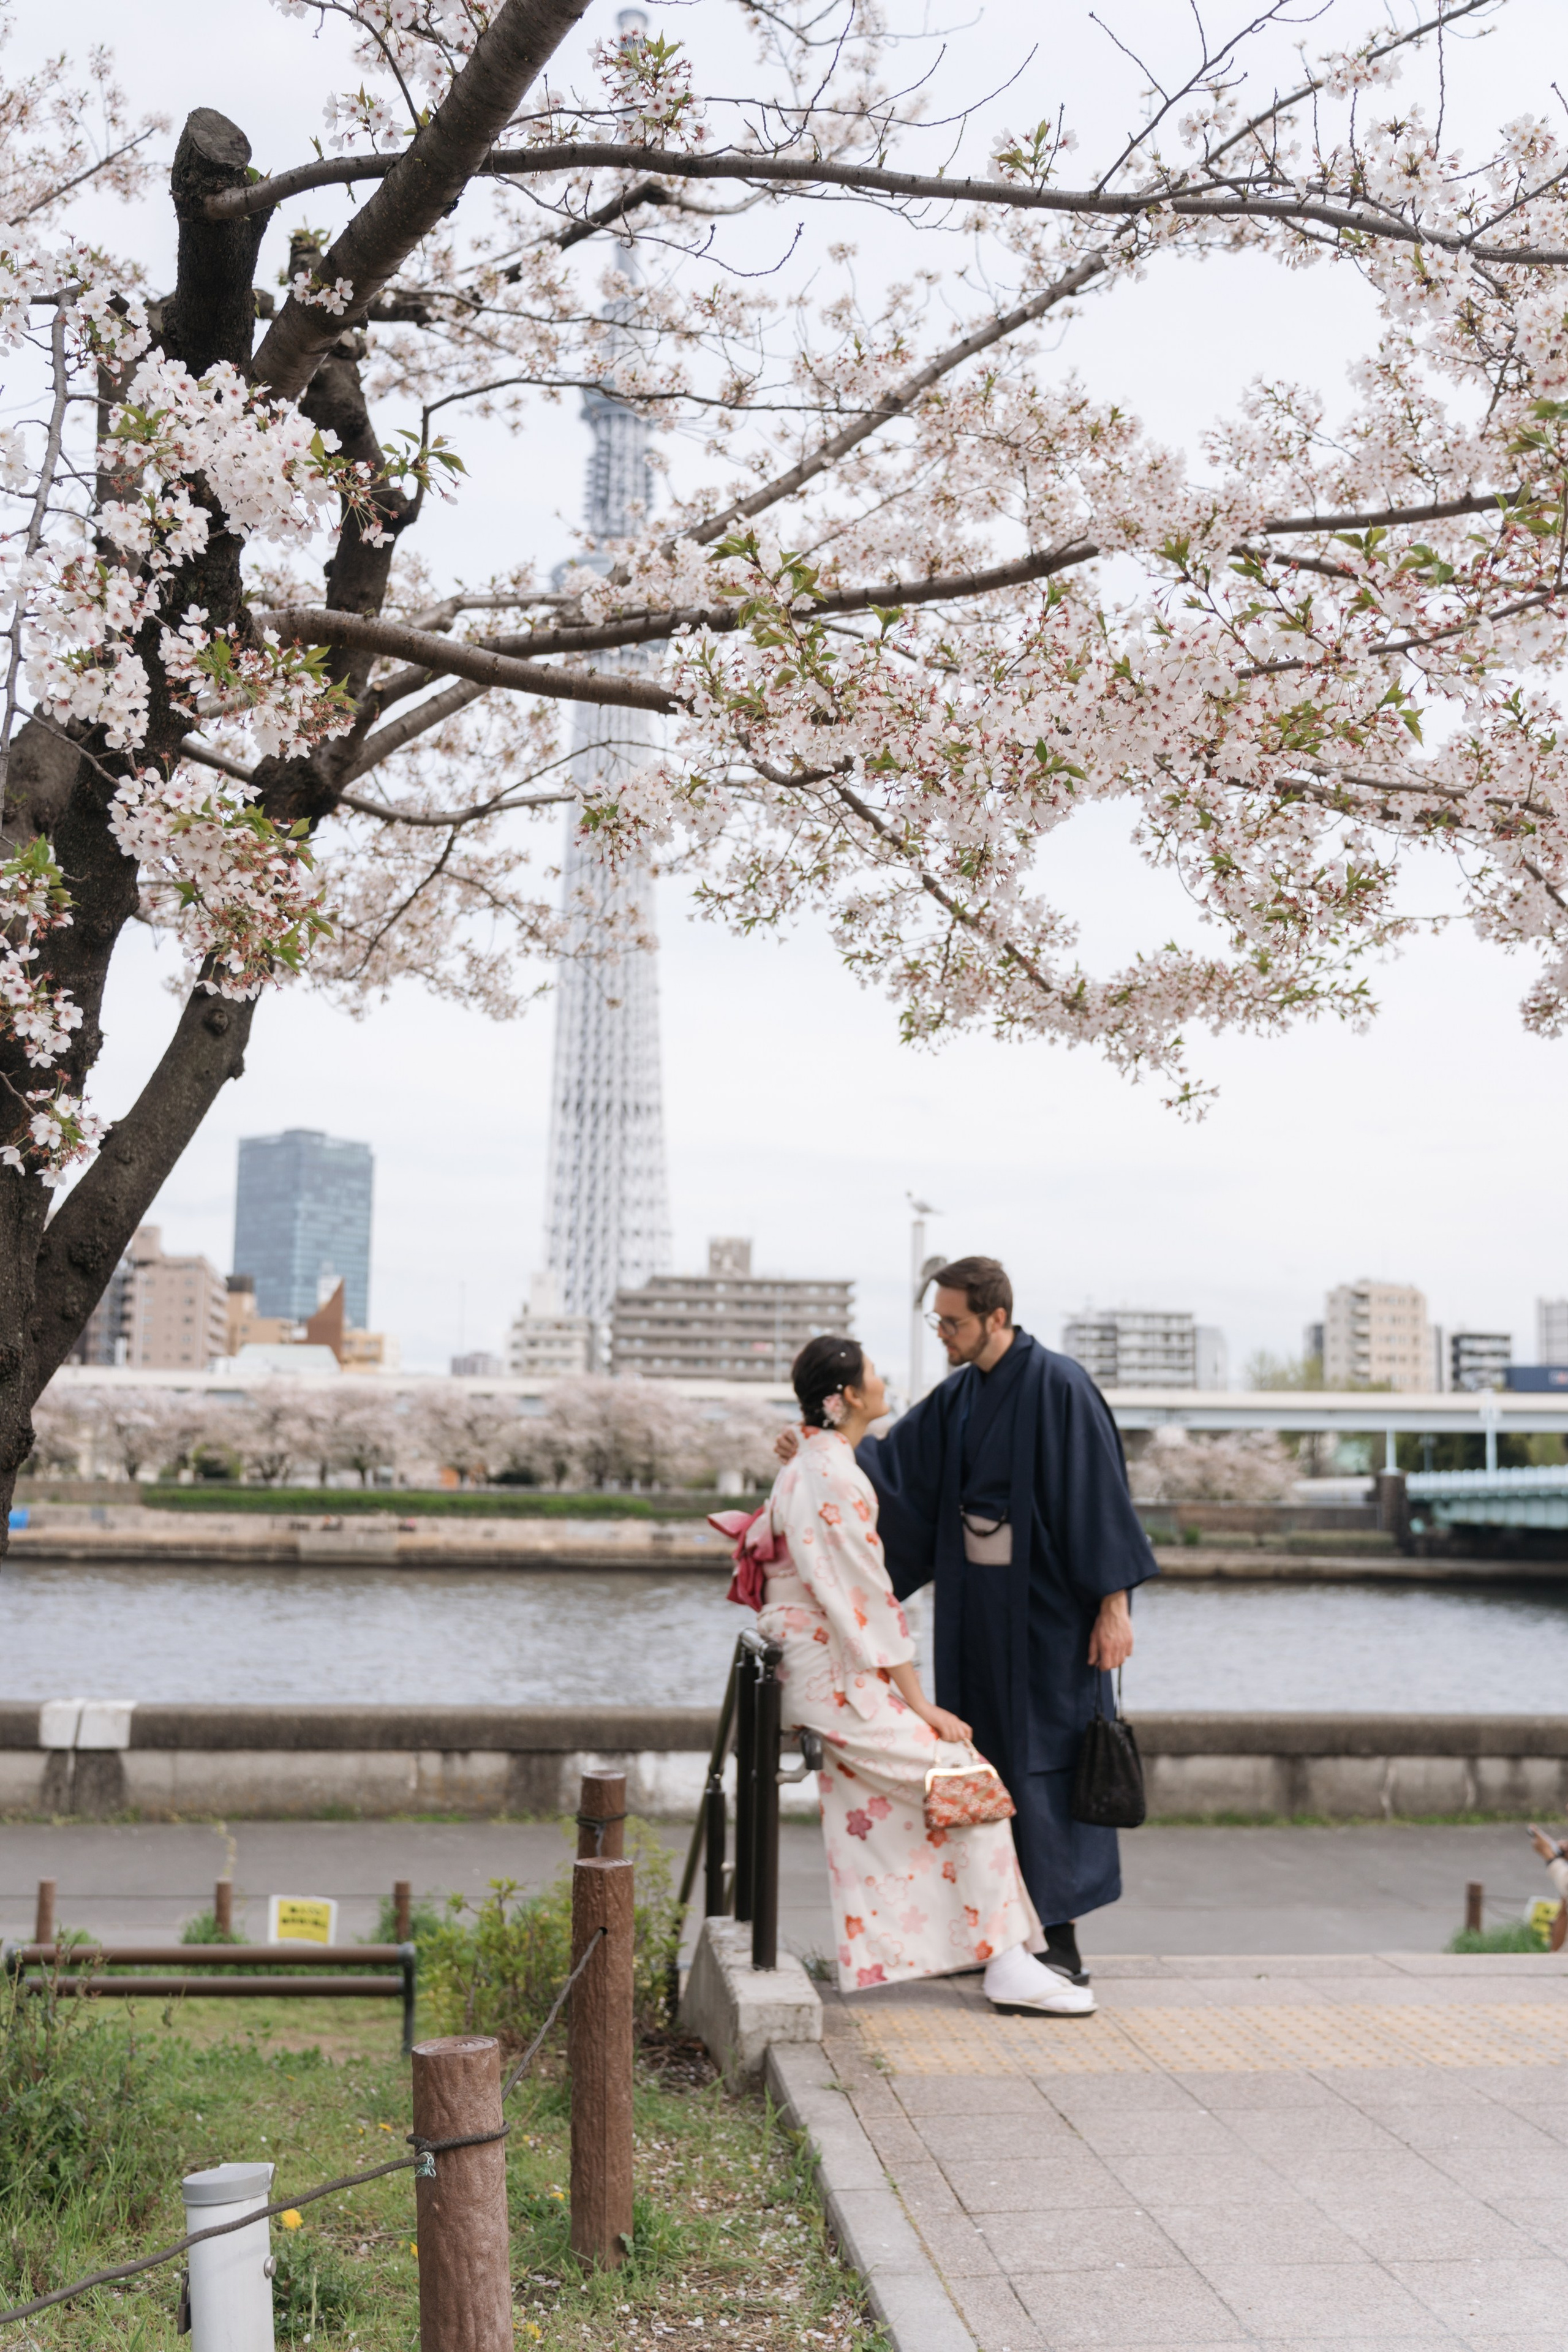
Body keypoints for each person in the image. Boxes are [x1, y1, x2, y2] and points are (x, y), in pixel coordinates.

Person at [777, 1256, 1158, 1984]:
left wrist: (1115, 1607)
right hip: (974, 1611)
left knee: (1045, 1764)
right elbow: (883, 1471)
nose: (943, 1334)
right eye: (937, 1321)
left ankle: (1057, 1937)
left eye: (952, 1322)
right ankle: (990, 1934)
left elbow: (1099, 1498)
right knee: (981, 1762)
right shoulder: (958, 1399)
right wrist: (813, 1448)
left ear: (995, 1318)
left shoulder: (1060, 1387)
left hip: (1049, 1618)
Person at [740, 1333, 1093, 2013]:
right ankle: (1007, 1963)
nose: (882, 1381)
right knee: (964, 1777)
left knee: (923, 1803)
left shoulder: (812, 1465)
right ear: (845, 1397)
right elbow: (866, 1598)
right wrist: (920, 1704)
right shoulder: (832, 1475)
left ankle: (981, 1952)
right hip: (834, 1682)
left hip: (820, 1675)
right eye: (871, 1374)